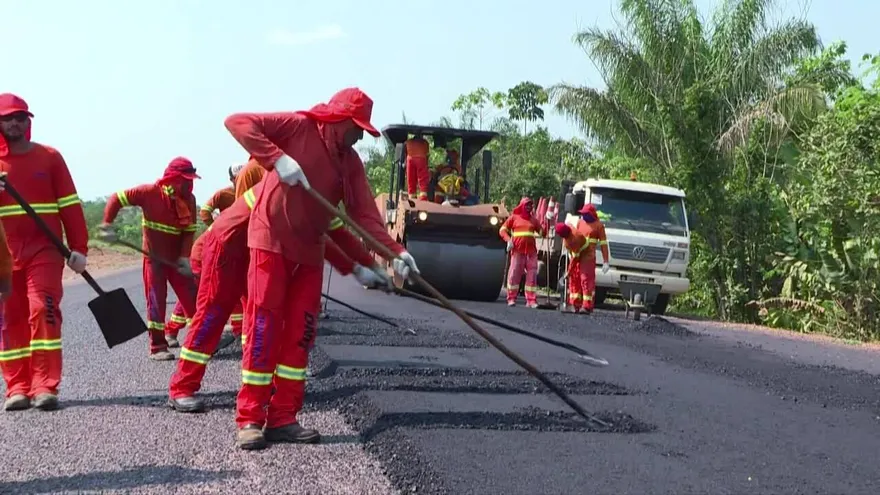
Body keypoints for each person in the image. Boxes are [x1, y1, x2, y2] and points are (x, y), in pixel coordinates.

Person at [222, 87, 419, 450]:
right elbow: (237, 122)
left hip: (309, 253)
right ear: (337, 119)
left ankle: (283, 417)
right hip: (270, 244)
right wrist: (276, 158)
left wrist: (394, 252)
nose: (360, 136)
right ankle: (250, 418)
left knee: (301, 334)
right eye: (356, 128)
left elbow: (365, 217)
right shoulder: (297, 128)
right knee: (264, 328)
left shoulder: (350, 162)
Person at [167, 170, 386, 416]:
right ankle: (181, 387)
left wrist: (362, 267)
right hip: (228, 248)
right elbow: (325, 241)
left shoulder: (314, 192)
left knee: (258, 322)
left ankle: (258, 383)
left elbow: (327, 236)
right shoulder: (294, 186)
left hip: (256, 253)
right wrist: (356, 269)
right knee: (212, 315)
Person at [0, 93, 90, 411]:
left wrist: (79, 249)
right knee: (10, 320)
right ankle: (17, 387)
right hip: (5, 257)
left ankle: (44, 385)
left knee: (43, 310)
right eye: (8, 117)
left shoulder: (50, 157)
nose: (15, 122)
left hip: (45, 251)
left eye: (20, 117)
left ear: (28, 122)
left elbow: (70, 206)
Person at [97, 158, 200, 361]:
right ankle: (158, 346)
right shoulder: (149, 193)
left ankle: (200, 343)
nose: (189, 184)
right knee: (156, 302)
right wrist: (107, 225)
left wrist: (184, 257)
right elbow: (116, 198)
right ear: (171, 179)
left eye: (191, 180)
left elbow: (188, 232)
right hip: (154, 261)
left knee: (193, 300)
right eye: (185, 180)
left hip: (176, 262)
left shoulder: (190, 200)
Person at [166, 163, 247, 342]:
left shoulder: (246, 198)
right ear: (234, 179)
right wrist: (216, 231)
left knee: (233, 289)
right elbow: (205, 212)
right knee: (199, 293)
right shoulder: (231, 199)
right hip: (207, 252)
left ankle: (238, 331)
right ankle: (172, 330)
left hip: (227, 249)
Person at [498, 197, 552, 308]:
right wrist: (509, 241)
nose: (528, 207)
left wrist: (547, 222)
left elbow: (542, 233)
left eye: (530, 205)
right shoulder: (514, 218)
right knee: (514, 275)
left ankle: (531, 300)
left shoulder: (533, 220)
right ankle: (511, 298)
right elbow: (502, 230)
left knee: (532, 276)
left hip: (531, 252)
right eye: (527, 205)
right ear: (522, 205)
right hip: (517, 251)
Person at [574, 203, 610, 313]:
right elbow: (575, 237)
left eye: (586, 214)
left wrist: (605, 261)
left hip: (589, 257)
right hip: (578, 255)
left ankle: (587, 305)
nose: (584, 216)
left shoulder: (599, 226)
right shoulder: (580, 222)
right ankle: (576, 304)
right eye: (583, 214)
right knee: (576, 279)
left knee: (586, 280)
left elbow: (603, 244)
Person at [554, 222, 591, 313]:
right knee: (574, 279)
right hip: (577, 254)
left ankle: (582, 305)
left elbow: (575, 259)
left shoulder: (574, 240)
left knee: (580, 279)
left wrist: (569, 272)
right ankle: (574, 303)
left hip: (585, 256)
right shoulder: (569, 228)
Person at [405, 135, 430, 200]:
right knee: (423, 180)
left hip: (410, 160)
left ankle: (412, 200)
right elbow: (427, 154)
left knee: (411, 181)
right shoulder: (425, 143)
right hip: (421, 159)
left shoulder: (408, 142)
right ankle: (423, 200)